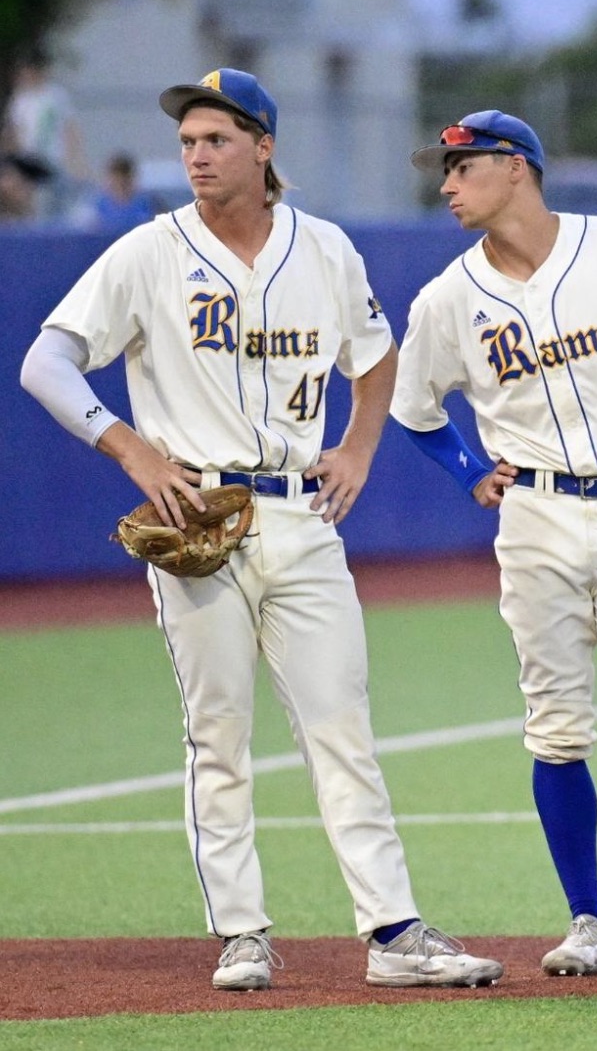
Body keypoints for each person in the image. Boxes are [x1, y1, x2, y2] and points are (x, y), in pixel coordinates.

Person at [17, 68, 503, 992]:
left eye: (217, 140)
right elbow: (46, 361)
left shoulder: (323, 250)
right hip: (196, 511)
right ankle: (242, 932)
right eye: (189, 141)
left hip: (300, 514)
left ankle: (394, 933)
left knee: (342, 727)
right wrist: (131, 452)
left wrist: (358, 450)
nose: (196, 155)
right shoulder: (148, 252)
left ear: (265, 148)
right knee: (218, 732)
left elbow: (378, 357)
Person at [391, 110, 597, 978]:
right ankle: (589, 922)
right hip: (537, 524)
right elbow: (416, 412)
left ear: (516, 168)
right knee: (556, 727)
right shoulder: (447, 299)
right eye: (443, 171)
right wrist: (466, 472)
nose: (446, 185)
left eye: (462, 167)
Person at [5, 49, 88, 219]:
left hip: (49, 160)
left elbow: (69, 129)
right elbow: (14, 131)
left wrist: (76, 161)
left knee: (47, 203)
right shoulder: (21, 99)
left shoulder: (55, 96)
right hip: (28, 158)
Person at [87, 152, 160, 232]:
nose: (118, 184)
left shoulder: (146, 203)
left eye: (123, 181)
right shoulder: (98, 205)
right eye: (115, 180)